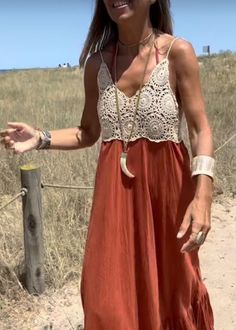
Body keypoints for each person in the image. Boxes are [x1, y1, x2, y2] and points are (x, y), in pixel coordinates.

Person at [0, 0, 215, 329]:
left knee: (172, 294)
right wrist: (39, 137)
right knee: (107, 301)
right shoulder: (97, 64)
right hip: (113, 204)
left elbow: (200, 129)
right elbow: (87, 132)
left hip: (168, 201)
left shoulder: (177, 53)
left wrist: (203, 197)